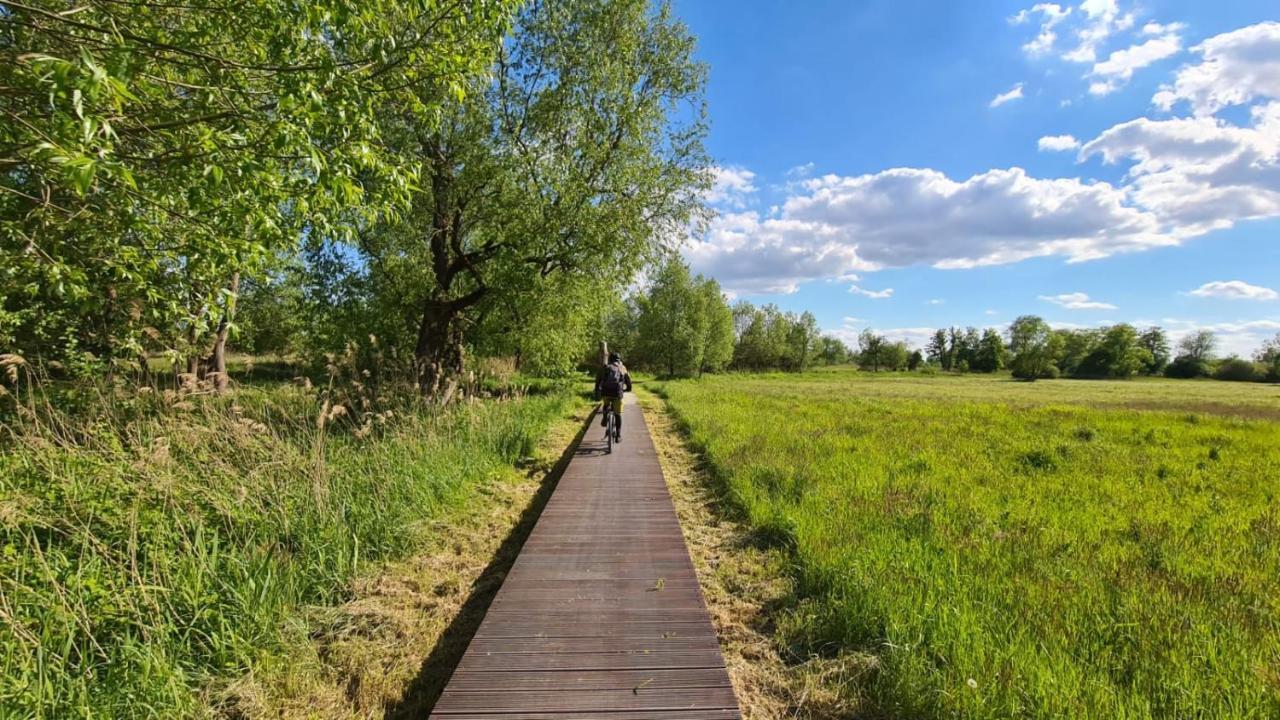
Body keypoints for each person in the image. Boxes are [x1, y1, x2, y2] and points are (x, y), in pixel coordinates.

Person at [594, 352, 632, 439]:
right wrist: (628, 388)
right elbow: (628, 380)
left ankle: (604, 417)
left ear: (610, 359)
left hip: (606, 392)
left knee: (606, 404)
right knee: (617, 414)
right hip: (618, 393)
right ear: (619, 359)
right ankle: (618, 435)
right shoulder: (622, 367)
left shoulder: (605, 367)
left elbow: (598, 380)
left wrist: (597, 390)